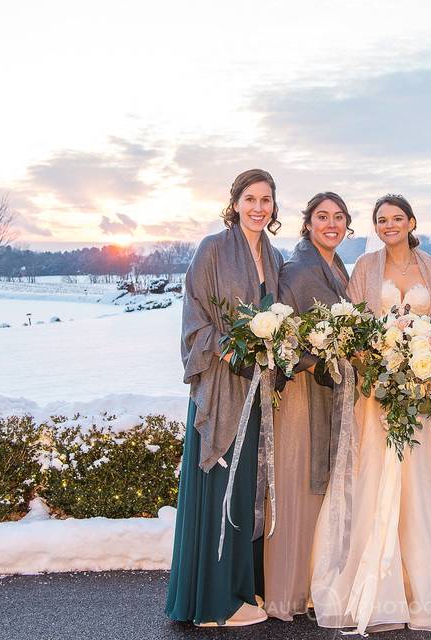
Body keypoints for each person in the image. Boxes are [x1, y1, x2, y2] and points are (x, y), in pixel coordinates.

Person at [310, 194, 431, 633]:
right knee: (373, 477)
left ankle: (425, 585)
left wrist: (430, 359)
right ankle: (378, 583)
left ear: (411, 222)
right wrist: (379, 355)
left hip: (422, 394)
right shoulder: (365, 268)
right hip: (376, 394)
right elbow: (352, 326)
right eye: (381, 220)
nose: (390, 225)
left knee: (424, 484)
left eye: (396, 218)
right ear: (375, 226)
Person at [166, 169, 284, 627]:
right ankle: (214, 602)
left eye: (266, 200)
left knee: (249, 486)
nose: (258, 207)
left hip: (258, 387)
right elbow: (194, 318)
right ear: (234, 203)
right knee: (220, 482)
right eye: (250, 199)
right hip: (221, 384)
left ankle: (242, 587)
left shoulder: (272, 256)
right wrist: (229, 345)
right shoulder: (212, 249)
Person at [263, 192, 352, 620]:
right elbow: (284, 334)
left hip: (326, 388)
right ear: (308, 223)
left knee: (319, 483)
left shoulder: (335, 266)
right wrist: (317, 357)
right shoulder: (299, 269)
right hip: (302, 393)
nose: (330, 224)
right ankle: (290, 588)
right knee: (300, 481)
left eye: (338, 218)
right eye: (322, 217)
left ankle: (317, 578)